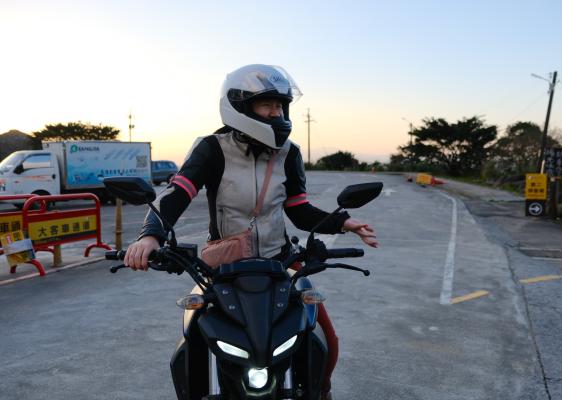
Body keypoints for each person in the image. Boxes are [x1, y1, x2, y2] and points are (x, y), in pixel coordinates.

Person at [124, 64, 378, 399]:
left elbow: (299, 210)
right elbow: (178, 193)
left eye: (280, 105)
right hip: (224, 267)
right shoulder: (213, 148)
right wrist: (150, 235)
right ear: (241, 107)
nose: (276, 112)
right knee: (195, 335)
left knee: (325, 337)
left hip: (280, 262)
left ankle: (320, 391)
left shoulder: (290, 153)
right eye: (267, 104)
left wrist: (342, 222)